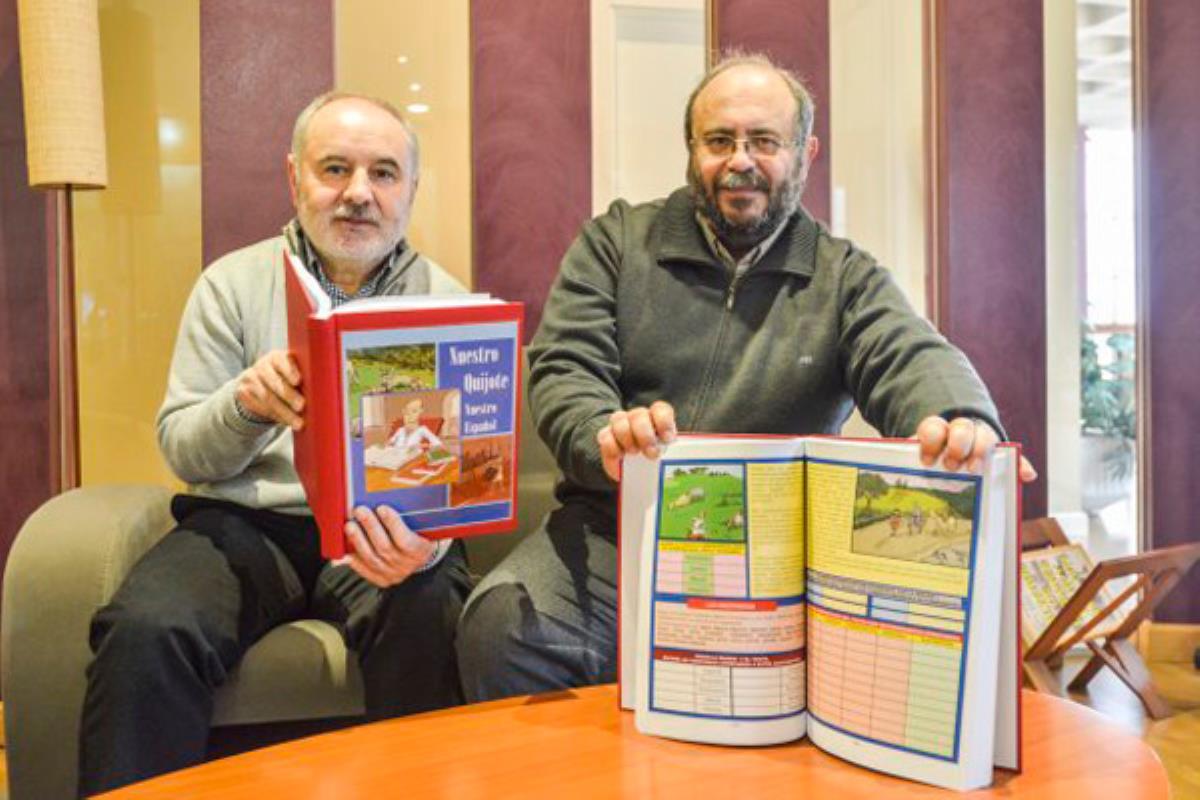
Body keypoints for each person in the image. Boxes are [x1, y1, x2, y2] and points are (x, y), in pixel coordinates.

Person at [455, 54, 1036, 702]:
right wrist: (604, 434)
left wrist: (959, 418)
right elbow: (566, 366)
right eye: (719, 141)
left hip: (777, 554)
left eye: (764, 141)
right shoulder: (615, 243)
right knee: (501, 630)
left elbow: (908, 352)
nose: (740, 161)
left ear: (805, 153)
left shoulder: (844, 276)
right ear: (691, 149)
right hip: (615, 529)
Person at [77, 92, 472, 795]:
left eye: (383, 173)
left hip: (386, 526)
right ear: (295, 178)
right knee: (146, 629)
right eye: (335, 169)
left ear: (411, 188)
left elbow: (465, 473)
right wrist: (245, 406)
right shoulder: (231, 285)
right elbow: (183, 451)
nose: (359, 193)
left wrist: (429, 544)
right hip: (245, 524)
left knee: (430, 610)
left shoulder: (451, 304)